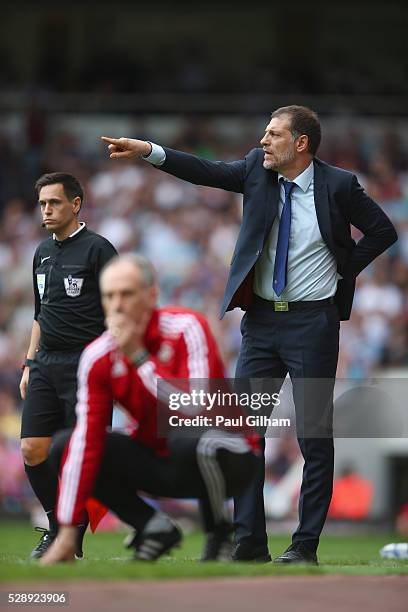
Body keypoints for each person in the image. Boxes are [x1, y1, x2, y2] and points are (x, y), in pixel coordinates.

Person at [101, 105, 398, 564]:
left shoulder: (338, 184)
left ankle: (304, 546)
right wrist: (149, 152)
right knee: (245, 437)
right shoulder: (255, 172)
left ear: (301, 143)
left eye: (274, 134)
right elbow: (203, 171)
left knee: (314, 438)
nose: (264, 141)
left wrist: (343, 271)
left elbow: (382, 231)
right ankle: (249, 544)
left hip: (312, 326)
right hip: (260, 325)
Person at [40, 254, 260, 565]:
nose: (117, 305)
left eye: (126, 294)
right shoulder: (97, 356)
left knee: (192, 436)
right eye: (109, 296)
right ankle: (152, 526)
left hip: (231, 453)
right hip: (161, 459)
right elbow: (88, 440)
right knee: (66, 445)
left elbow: (195, 408)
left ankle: (220, 535)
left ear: (151, 295)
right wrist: (66, 530)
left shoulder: (187, 327)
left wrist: (140, 358)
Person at [19, 172, 117, 558]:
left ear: (75, 205)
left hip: (87, 365)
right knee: (32, 449)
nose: (46, 209)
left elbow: (118, 312)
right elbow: (40, 313)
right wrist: (29, 363)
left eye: (54, 202)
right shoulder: (41, 253)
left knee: (81, 453)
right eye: (42, 203)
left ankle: (71, 533)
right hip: (45, 363)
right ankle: (58, 525)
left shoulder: (99, 250)